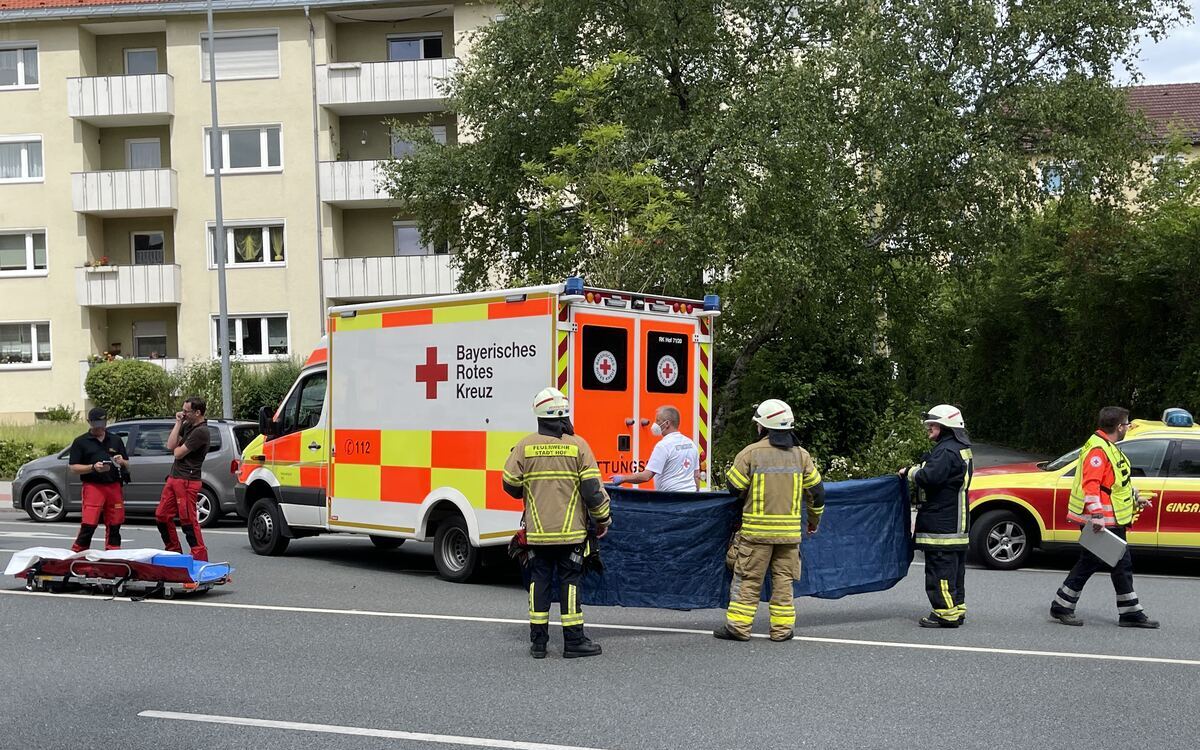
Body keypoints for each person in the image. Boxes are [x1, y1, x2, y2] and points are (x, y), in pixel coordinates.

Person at [503, 387, 612, 659]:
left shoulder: (524, 447)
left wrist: (531, 489)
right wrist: (602, 519)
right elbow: (593, 491)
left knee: (538, 582)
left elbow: (510, 485)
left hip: (538, 534)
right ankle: (573, 641)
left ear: (538, 415)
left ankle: (538, 643)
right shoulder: (578, 446)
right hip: (572, 534)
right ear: (564, 415)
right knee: (570, 583)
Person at [714, 399, 824, 642]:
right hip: (789, 536)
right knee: (784, 582)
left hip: (756, 535)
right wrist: (814, 521)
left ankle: (739, 628)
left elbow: (734, 488)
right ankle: (782, 630)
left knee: (748, 580)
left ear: (763, 427)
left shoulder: (751, 454)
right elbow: (817, 493)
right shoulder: (802, 456)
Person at [1050, 406, 1159, 628]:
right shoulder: (1098, 451)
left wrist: (1135, 497)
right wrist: (1098, 515)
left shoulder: (1107, 447)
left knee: (1116, 564)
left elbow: (1116, 483)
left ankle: (1128, 612)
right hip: (1102, 521)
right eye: (1127, 424)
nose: (1128, 427)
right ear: (1119, 427)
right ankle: (1063, 605)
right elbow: (1091, 485)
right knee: (1099, 563)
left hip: (1110, 520)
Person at [899, 404, 974, 628]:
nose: (929, 428)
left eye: (933, 424)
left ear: (946, 426)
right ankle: (956, 608)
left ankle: (945, 614)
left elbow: (929, 477)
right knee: (955, 571)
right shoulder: (960, 448)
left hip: (942, 524)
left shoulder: (945, 451)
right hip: (957, 523)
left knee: (939, 570)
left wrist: (909, 471)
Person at [155, 396, 210, 562]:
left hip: (188, 479)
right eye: (183, 410)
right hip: (175, 477)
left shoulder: (201, 431)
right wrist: (178, 422)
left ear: (198, 412)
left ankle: (199, 557)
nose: (183, 414)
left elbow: (178, 453)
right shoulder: (186, 425)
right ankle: (173, 552)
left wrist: (177, 448)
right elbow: (171, 446)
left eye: (187, 411)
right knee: (162, 515)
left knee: (188, 520)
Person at [67, 407, 129, 552]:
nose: (99, 428)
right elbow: (73, 467)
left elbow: (127, 463)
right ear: (89, 422)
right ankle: (78, 552)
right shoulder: (81, 442)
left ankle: (113, 552)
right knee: (89, 522)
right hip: (93, 486)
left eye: (102, 424)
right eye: (96, 425)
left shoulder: (115, 439)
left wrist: (122, 462)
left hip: (114, 485)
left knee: (115, 522)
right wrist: (93, 467)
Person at [610, 405, 701, 492]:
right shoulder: (691, 444)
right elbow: (696, 476)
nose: (655, 424)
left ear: (667, 424)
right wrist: (694, 498)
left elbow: (646, 476)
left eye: (658, 421)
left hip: (671, 500)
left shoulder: (663, 446)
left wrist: (623, 478)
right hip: (690, 498)